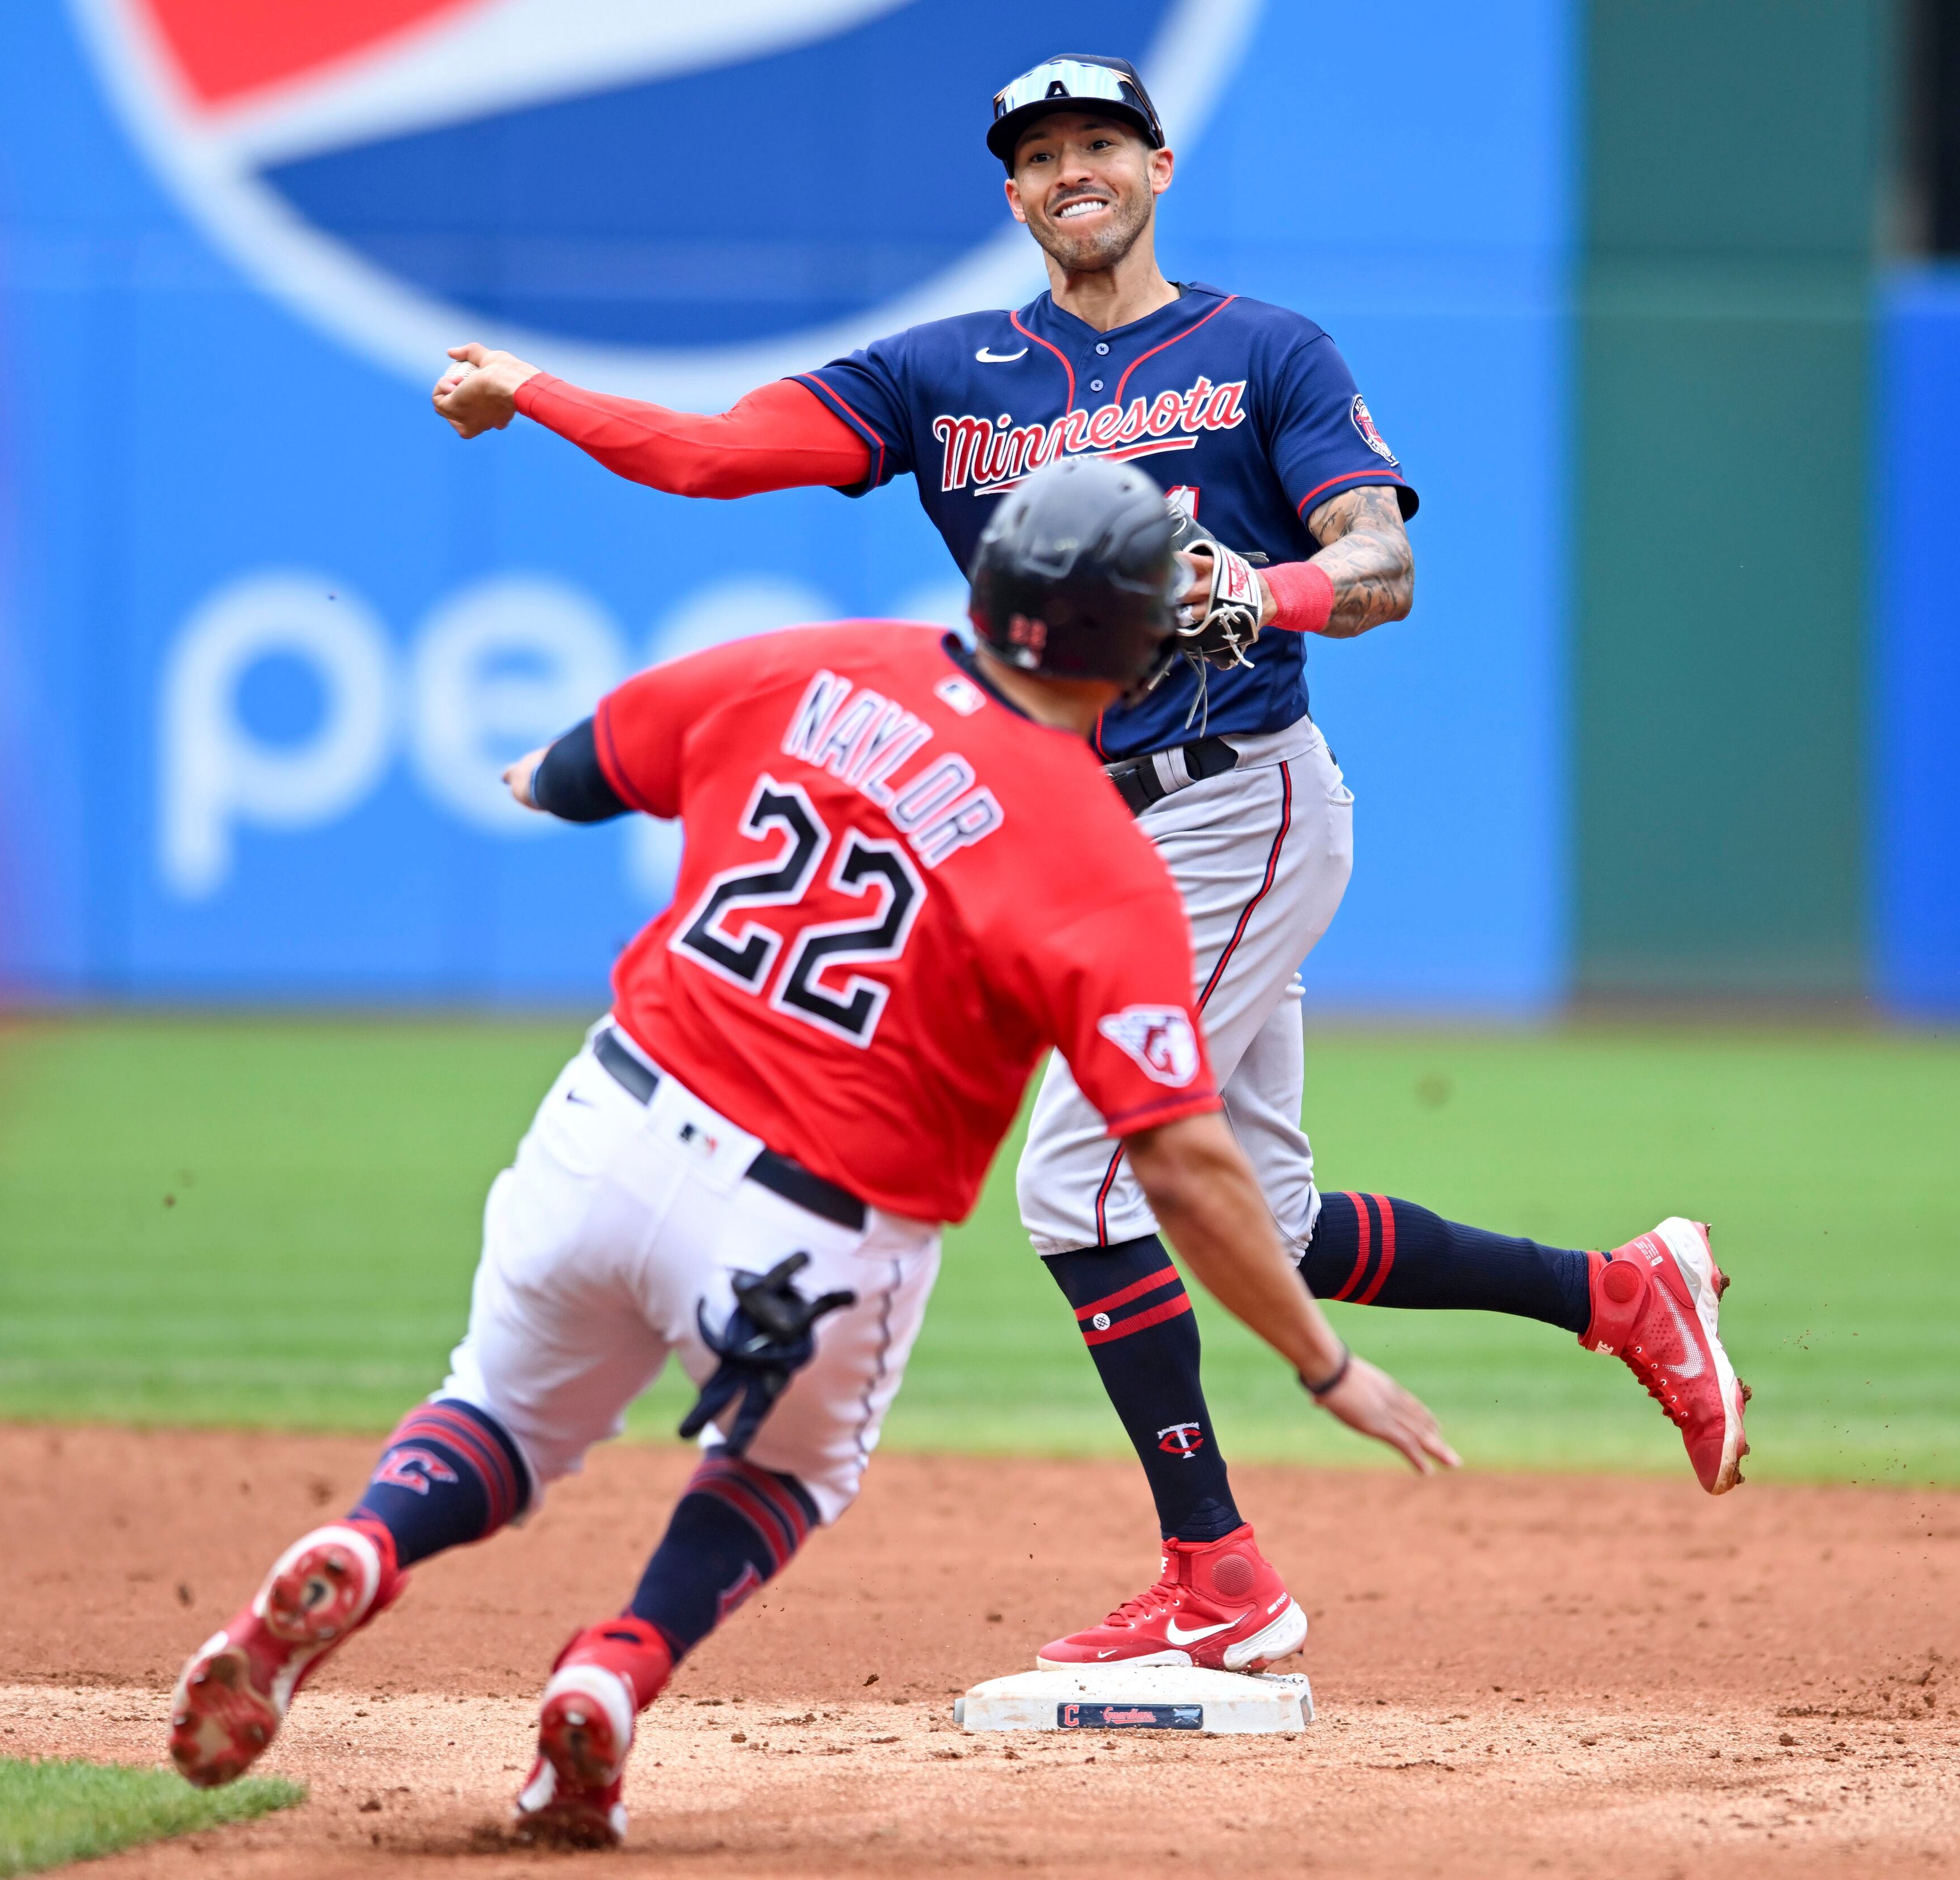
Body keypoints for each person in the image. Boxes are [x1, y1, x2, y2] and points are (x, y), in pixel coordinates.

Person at [430, 50, 1748, 1681]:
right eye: (1039, 152)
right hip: (1079, 819)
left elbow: (1383, 564)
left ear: (1160, 164)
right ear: (1011, 191)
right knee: (1255, 1209)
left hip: (1234, 793)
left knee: (1081, 1177)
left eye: (1101, 142)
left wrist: (1255, 596)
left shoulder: (1265, 349)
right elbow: (708, 453)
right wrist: (531, 389)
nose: (1074, 169)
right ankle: (1623, 1292)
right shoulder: (941, 372)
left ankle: (1218, 1572)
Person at [161, 459, 1456, 1846]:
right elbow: (1184, 1166)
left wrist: (545, 776)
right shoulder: (1099, 858)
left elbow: (572, 769)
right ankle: (616, 1668)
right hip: (816, 1228)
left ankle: (363, 1542)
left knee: (502, 1417)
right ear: (1141, 653)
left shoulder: (819, 665)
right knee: (783, 1472)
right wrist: (1325, 1363)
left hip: (608, 1123)